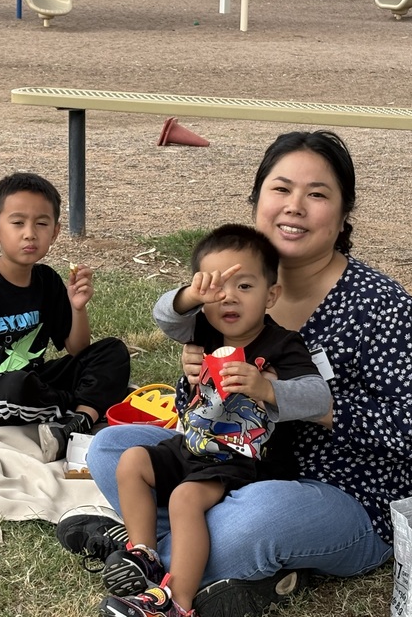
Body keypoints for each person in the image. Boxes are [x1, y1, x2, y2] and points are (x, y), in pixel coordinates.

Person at [58, 131, 412, 617]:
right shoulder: (233, 294)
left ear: (345, 212)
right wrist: (196, 380)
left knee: (254, 522)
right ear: (257, 200)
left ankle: (142, 553)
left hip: (344, 495)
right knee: (113, 448)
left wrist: (317, 408)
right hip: (234, 467)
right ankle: (170, 556)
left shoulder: (382, 308)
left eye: (318, 194)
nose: (295, 207)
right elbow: (194, 411)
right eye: (281, 189)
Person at [99, 224, 331, 617]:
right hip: (194, 444)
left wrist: (267, 388)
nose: (228, 297)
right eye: (216, 288)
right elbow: (165, 317)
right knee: (131, 460)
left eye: (244, 286)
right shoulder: (203, 327)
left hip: (245, 458)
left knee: (184, 498)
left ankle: (177, 602)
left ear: (271, 295)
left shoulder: (281, 344)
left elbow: (319, 396)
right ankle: (144, 555)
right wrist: (190, 295)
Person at [0, 171, 130, 463]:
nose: (30, 233)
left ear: (55, 231)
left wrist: (78, 306)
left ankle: (78, 423)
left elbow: (77, 349)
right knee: (18, 386)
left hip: (35, 382)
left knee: (113, 351)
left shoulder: (47, 281)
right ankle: (86, 404)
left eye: (41, 223)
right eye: (17, 223)